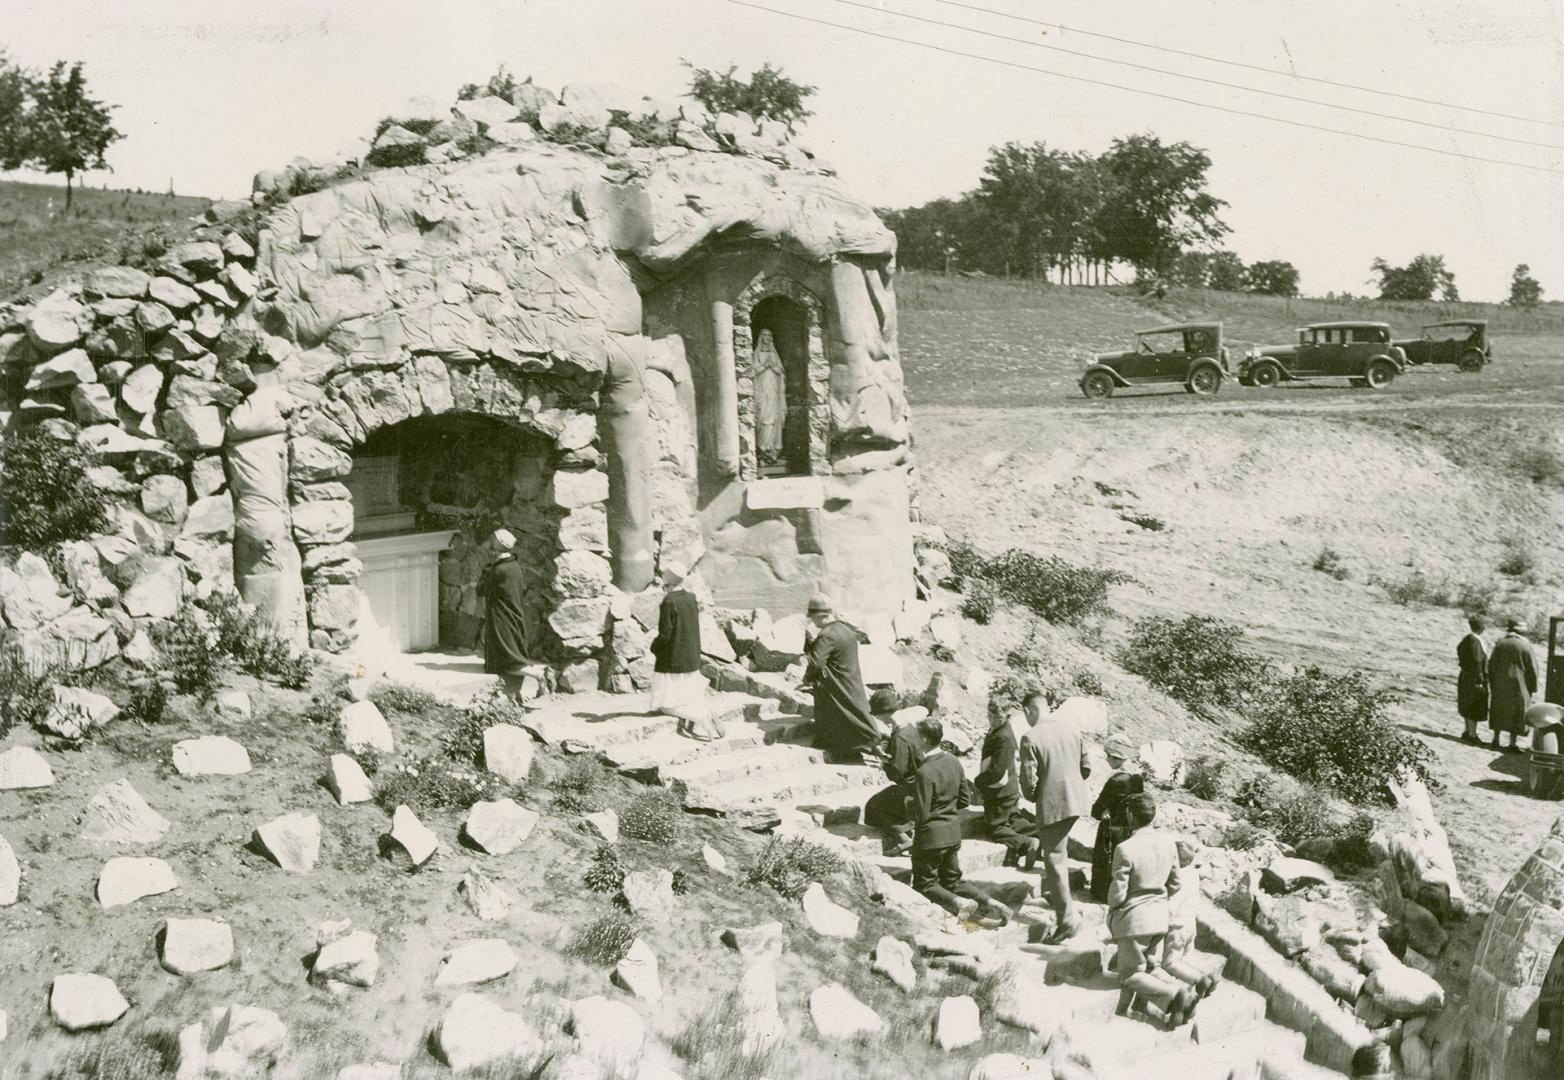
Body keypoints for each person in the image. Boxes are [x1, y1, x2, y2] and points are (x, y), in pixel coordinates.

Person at [1107, 793, 1199, 1029]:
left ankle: (1175, 994)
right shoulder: (1168, 843)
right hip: (1160, 917)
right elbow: (1176, 883)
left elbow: (1118, 892)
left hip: (1135, 920)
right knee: (1150, 966)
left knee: (1129, 974)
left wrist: (1114, 913)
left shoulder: (1124, 848)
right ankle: (1180, 1002)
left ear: (1129, 815)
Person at [912, 716, 1010, 926]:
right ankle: (990, 902)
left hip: (931, 837)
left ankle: (961, 904)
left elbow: (921, 814)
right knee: (953, 881)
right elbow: (964, 799)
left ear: (924, 741)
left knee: (925, 883)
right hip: (953, 833)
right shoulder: (953, 761)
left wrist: (908, 803)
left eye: (916, 736)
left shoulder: (924, 772)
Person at [1019, 688, 1092, 943]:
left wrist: (1040, 794)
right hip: (1077, 801)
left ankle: (1067, 919)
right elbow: (1086, 766)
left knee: (1054, 859)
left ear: (1028, 711)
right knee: (1058, 853)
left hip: (1054, 805)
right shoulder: (1071, 728)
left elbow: (1028, 783)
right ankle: (1058, 896)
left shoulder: (1030, 736)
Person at [802, 594, 882, 764]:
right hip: (851, 680)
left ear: (821, 615)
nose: (813, 622)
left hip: (836, 684)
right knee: (855, 712)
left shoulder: (827, 635)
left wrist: (807, 679)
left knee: (841, 715)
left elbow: (816, 663)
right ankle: (870, 742)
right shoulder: (845, 629)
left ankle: (848, 748)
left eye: (814, 618)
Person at [649, 568, 723, 742]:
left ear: (667, 581)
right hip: (690, 657)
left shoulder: (668, 602)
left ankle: (702, 716)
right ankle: (705, 710)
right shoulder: (691, 598)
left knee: (664, 706)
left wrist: (654, 647)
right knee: (687, 697)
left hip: (672, 659)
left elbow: (665, 634)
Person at [976, 699, 1039, 868]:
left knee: (995, 829)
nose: (991, 719)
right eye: (989, 714)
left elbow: (996, 772)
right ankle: (1043, 833)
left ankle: (1026, 843)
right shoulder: (998, 730)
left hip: (1000, 792)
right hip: (1008, 790)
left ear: (1007, 716)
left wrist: (979, 782)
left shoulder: (1003, 737)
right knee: (1011, 821)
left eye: (996, 716)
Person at [862, 689, 923, 855]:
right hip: (920, 786)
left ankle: (904, 838)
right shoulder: (910, 728)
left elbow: (898, 773)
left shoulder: (899, 737)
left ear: (884, 713)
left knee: (873, 806)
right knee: (887, 799)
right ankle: (909, 826)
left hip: (911, 791)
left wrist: (883, 762)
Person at [1160, 835, 1218, 999]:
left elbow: (1171, 908)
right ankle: (1207, 976)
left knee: (1170, 963)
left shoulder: (1177, 878)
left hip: (1177, 928)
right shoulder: (1193, 874)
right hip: (1190, 925)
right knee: (1184, 959)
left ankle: (1199, 981)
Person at [1090, 735, 1145, 903]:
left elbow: (1098, 807)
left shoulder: (1115, 780)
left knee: (1105, 861)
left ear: (1116, 757)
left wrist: (1100, 811)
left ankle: (1101, 894)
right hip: (1128, 827)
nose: (1107, 759)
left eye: (1109, 756)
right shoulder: (1137, 778)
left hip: (1111, 827)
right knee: (1122, 863)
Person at [478, 529, 530, 689]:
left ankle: (538, 674)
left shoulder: (498, 570)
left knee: (508, 657)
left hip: (501, 617)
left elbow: (481, 590)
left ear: (499, 544)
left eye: (493, 539)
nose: (491, 541)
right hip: (510, 614)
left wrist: (485, 573)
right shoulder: (514, 566)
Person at [1487, 617, 1539, 752]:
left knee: (1498, 709)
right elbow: (1532, 669)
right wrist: (1533, 686)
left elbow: (1491, 665)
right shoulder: (1525, 646)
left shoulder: (1500, 644)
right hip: (1519, 685)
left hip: (1500, 683)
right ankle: (1512, 744)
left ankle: (1495, 740)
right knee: (1517, 712)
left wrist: (1493, 682)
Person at [753, 329, 786, 469]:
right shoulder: (757, 354)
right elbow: (753, 371)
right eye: (765, 335)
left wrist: (774, 367)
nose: (767, 337)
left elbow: (781, 371)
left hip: (774, 393)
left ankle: (773, 450)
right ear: (761, 338)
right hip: (762, 393)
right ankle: (763, 450)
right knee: (763, 418)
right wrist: (764, 366)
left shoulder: (774, 354)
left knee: (774, 419)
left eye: (769, 335)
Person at [1456, 615, 1489, 744]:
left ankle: (1467, 730)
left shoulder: (1468, 639)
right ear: (1481, 627)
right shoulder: (1475, 641)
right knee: (1475, 704)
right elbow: (1477, 660)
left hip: (1466, 676)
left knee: (1467, 703)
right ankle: (1472, 734)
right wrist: (1480, 677)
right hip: (1475, 678)